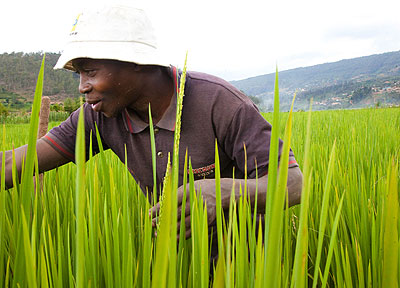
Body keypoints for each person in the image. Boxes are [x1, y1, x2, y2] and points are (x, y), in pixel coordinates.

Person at [2, 5, 302, 241]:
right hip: (173, 260)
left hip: (249, 262)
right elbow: (16, 164)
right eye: (78, 74)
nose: (82, 86)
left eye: (90, 71)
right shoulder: (100, 115)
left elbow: (293, 183)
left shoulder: (218, 102)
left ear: (134, 61)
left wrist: (220, 192)